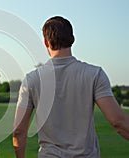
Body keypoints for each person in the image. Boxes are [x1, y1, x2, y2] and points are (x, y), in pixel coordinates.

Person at [13, 16, 129, 158]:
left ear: (45, 42)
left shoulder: (31, 79)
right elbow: (118, 122)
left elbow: (19, 131)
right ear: (73, 39)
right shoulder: (95, 74)